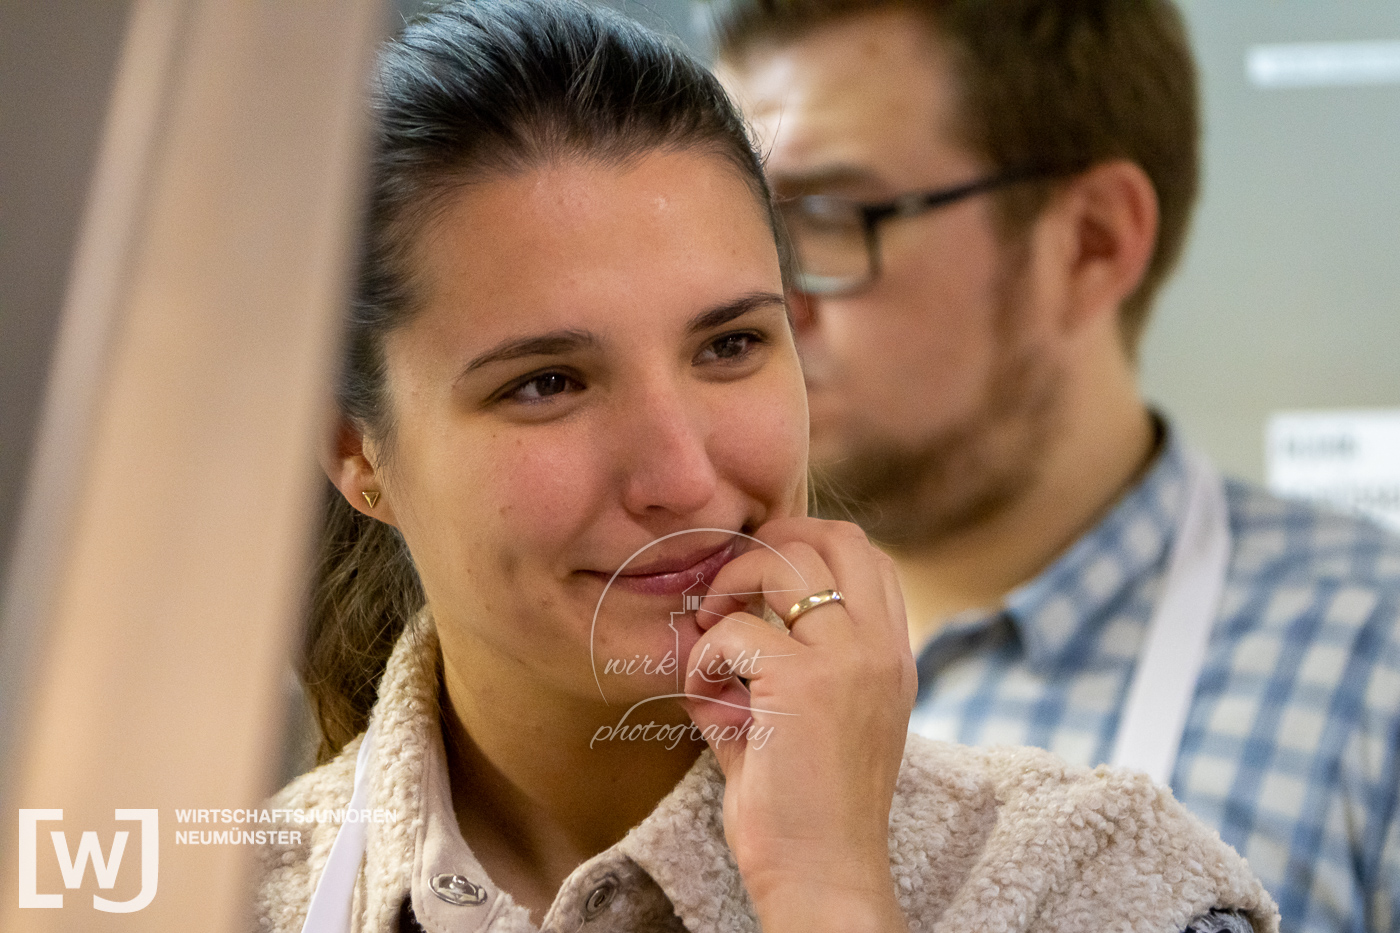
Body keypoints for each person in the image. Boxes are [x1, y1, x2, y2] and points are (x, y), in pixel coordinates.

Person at [254, 3, 1277, 932]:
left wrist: (825, 885)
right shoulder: (215, 892)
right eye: (547, 383)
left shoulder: (1104, 885)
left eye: (729, 345)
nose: (680, 476)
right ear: (354, 449)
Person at [708, 2, 1400, 933]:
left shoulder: (1374, 665)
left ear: (1092, 243)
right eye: (749, 226)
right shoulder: (686, 655)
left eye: (828, 217)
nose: (769, 298)